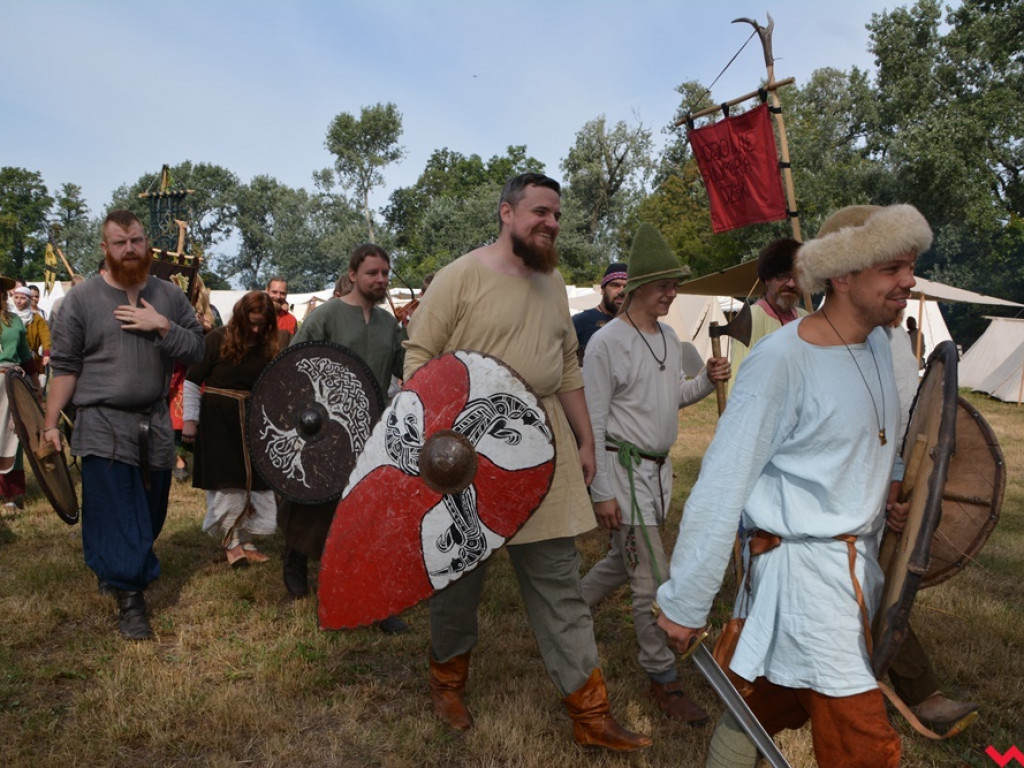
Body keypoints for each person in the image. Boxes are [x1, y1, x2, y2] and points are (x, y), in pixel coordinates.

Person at [655, 203, 936, 768]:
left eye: (910, 266)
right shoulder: (781, 362)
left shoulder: (878, 346)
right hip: (806, 583)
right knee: (864, 747)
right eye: (892, 268)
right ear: (842, 275)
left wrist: (885, 489)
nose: (909, 281)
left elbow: (877, 435)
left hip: (852, 571)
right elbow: (721, 486)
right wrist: (685, 601)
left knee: (758, 708)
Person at [404, 173, 651, 751]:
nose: (551, 223)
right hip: (466, 450)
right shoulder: (460, 277)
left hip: (543, 446)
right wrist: (436, 442)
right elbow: (419, 357)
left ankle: (591, 715)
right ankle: (447, 682)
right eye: (541, 212)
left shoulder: (552, 281)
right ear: (507, 213)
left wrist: (586, 440)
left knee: (559, 580)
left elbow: (566, 367)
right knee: (459, 578)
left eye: (557, 215)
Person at [580, 224, 729, 723]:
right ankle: (663, 678)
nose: (672, 293)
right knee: (652, 579)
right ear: (640, 286)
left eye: (675, 285)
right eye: (665, 285)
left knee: (626, 560)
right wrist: (601, 491)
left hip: (658, 475)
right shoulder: (606, 343)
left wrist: (705, 382)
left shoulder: (667, 336)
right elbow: (594, 420)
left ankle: (567, 610)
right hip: (622, 473)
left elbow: (672, 398)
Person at [44, 210, 204, 641]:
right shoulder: (81, 300)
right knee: (117, 510)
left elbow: (198, 350)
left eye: (136, 240)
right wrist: (50, 424)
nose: (130, 249)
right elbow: (65, 368)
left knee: (150, 514)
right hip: (101, 421)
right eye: (120, 242)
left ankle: (115, 565)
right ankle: (131, 600)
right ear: (105, 248)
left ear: (146, 242)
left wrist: (162, 325)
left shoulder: (169, 295)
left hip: (154, 423)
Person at [279, 244, 407, 634]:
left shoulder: (389, 325)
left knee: (368, 514)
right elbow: (295, 366)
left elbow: (408, 368)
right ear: (352, 275)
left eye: (385, 273)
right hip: (324, 431)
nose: (381, 280)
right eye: (372, 273)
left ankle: (373, 599)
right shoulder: (326, 316)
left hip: (372, 432)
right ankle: (296, 557)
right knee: (314, 506)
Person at [182, 291, 285, 566]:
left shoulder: (267, 347)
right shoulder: (217, 339)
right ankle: (231, 541)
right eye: (252, 323)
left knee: (253, 483)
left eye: (262, 325)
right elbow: (192, 381)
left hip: (254, 422)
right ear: (240, 317)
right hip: (218, 423)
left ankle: (246, 540)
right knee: (227, 484)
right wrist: (190, 420)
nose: (256, 330)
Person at [727, 238, 807, 394]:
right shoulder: (750, 319)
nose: (791, 284)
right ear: (767, 278)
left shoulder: (806, 319)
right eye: (783, 276)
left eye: (797, 277)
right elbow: (738, 380)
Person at [0, 278, 36, 512]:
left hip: (10, 383)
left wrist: (36, 386)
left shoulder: (14, 322)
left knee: (12, 435)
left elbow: (25, 356)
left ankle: (9, 493)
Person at [572, 262, 629, 365]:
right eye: (615, 285)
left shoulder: (634, 325)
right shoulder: (580, 322)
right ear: (602, 289)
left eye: (626, 286)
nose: (621, 291)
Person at [12, 285, 50, 386]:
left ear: (29, 300)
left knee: (33, 386)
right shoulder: (9, 317)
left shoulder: (36, 318)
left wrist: (46, 353)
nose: (18, 301)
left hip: (30, 358)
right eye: (16, 297)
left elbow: (45, 336)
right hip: (12, 357)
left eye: (22, 298)